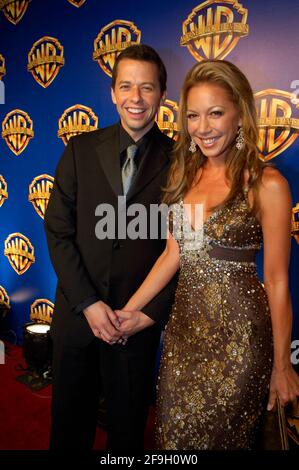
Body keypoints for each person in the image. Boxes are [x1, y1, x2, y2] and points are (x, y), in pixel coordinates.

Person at [116, 59, 299, 449]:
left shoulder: (267, 184)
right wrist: (129, 312)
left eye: (216, 113)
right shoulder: (184, 174)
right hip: (182, 340)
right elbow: (172, 255)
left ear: (239, 114)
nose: (203, 127)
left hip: (241, 344)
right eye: (194, 115)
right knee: (173, 438)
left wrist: (281, 365)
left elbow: (279, 280)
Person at [44, 44, 177, 451]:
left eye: (147, 88)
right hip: (77, 318)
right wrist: (87, 302)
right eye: (126, 87)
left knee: (127, 432)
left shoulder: (183, 160)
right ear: (113, 93)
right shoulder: (80, 149)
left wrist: (145, 314)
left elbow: (184, 252)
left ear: (162, 95)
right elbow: (57, 231)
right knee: (68, 428)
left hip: (134, 326)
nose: (136, 98)